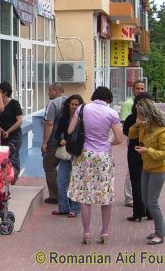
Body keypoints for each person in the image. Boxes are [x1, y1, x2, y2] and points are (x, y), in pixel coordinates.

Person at [67, 87, 123, 245]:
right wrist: (107, 143)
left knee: (86, 196)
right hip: (103, 156)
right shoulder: (112, 113)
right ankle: (104, 232)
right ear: (108, 99)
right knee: (105, 195)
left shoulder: (82, 108)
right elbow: (119, 138)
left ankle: (86, 233)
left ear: (94, 96)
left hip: (84, 155)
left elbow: (70, 130)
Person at [128, 99, 165, 245]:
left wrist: (148, 150)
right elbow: (131, 135)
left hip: (158, 169)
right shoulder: (144, 126)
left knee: (152, 202)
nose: (137, 116)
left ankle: (159, 234)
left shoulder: (161, 130)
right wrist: (136, 124)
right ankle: (162, 229)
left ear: (147, 114)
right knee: (145, 200)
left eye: (140, 114)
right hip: (146, 167)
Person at [52, 94, 84, 218]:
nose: (74, 106)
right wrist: (60, 140)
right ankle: (63, 207)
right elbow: (57, 133)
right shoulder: (64, 118)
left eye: (77, 104)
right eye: (72, 104)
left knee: (76, 181)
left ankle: (75, 209)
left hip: (78, 153)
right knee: (60, 180)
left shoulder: (83, 119)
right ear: (68, 105)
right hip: (65, 153)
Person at [122, 92, 153, 222]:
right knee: (150, 182)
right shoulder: (153, 119)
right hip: (149, 152)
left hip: (134, 152)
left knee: (136, 182)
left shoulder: (132, 118)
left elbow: (125, 132)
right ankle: (150, 211)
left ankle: (138, 213)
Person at [120, 80, 146, 207]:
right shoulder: (128, 104)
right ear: (132, 89)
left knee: (144, 169)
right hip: (134, 140)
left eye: (142, 89)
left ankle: (141, 196)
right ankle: (130, 198)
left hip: (146, 141)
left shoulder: (146, 104)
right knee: (133, 170)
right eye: (137, 89)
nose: (140, 91)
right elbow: (126, 127)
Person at [42, 83, 66, 204]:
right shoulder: (71, 102)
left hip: (54, 141)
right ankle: (68, 195)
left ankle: (56, 196)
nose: (48, 93)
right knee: (66, 168)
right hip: (68, 141)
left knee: (49, 166)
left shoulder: (53, 103)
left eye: (50, 91)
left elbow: (49, 124)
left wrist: (44, 142)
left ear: (56, 91)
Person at [0, 81, 23, 184]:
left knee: (13, 157)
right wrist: (1, 130)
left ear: (4, 92)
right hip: (2, 135)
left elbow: (20, 120)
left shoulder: (14, 104)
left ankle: (13, 178)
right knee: (3, 158)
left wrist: (8, 131)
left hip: (14, 135)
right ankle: (4, 178)